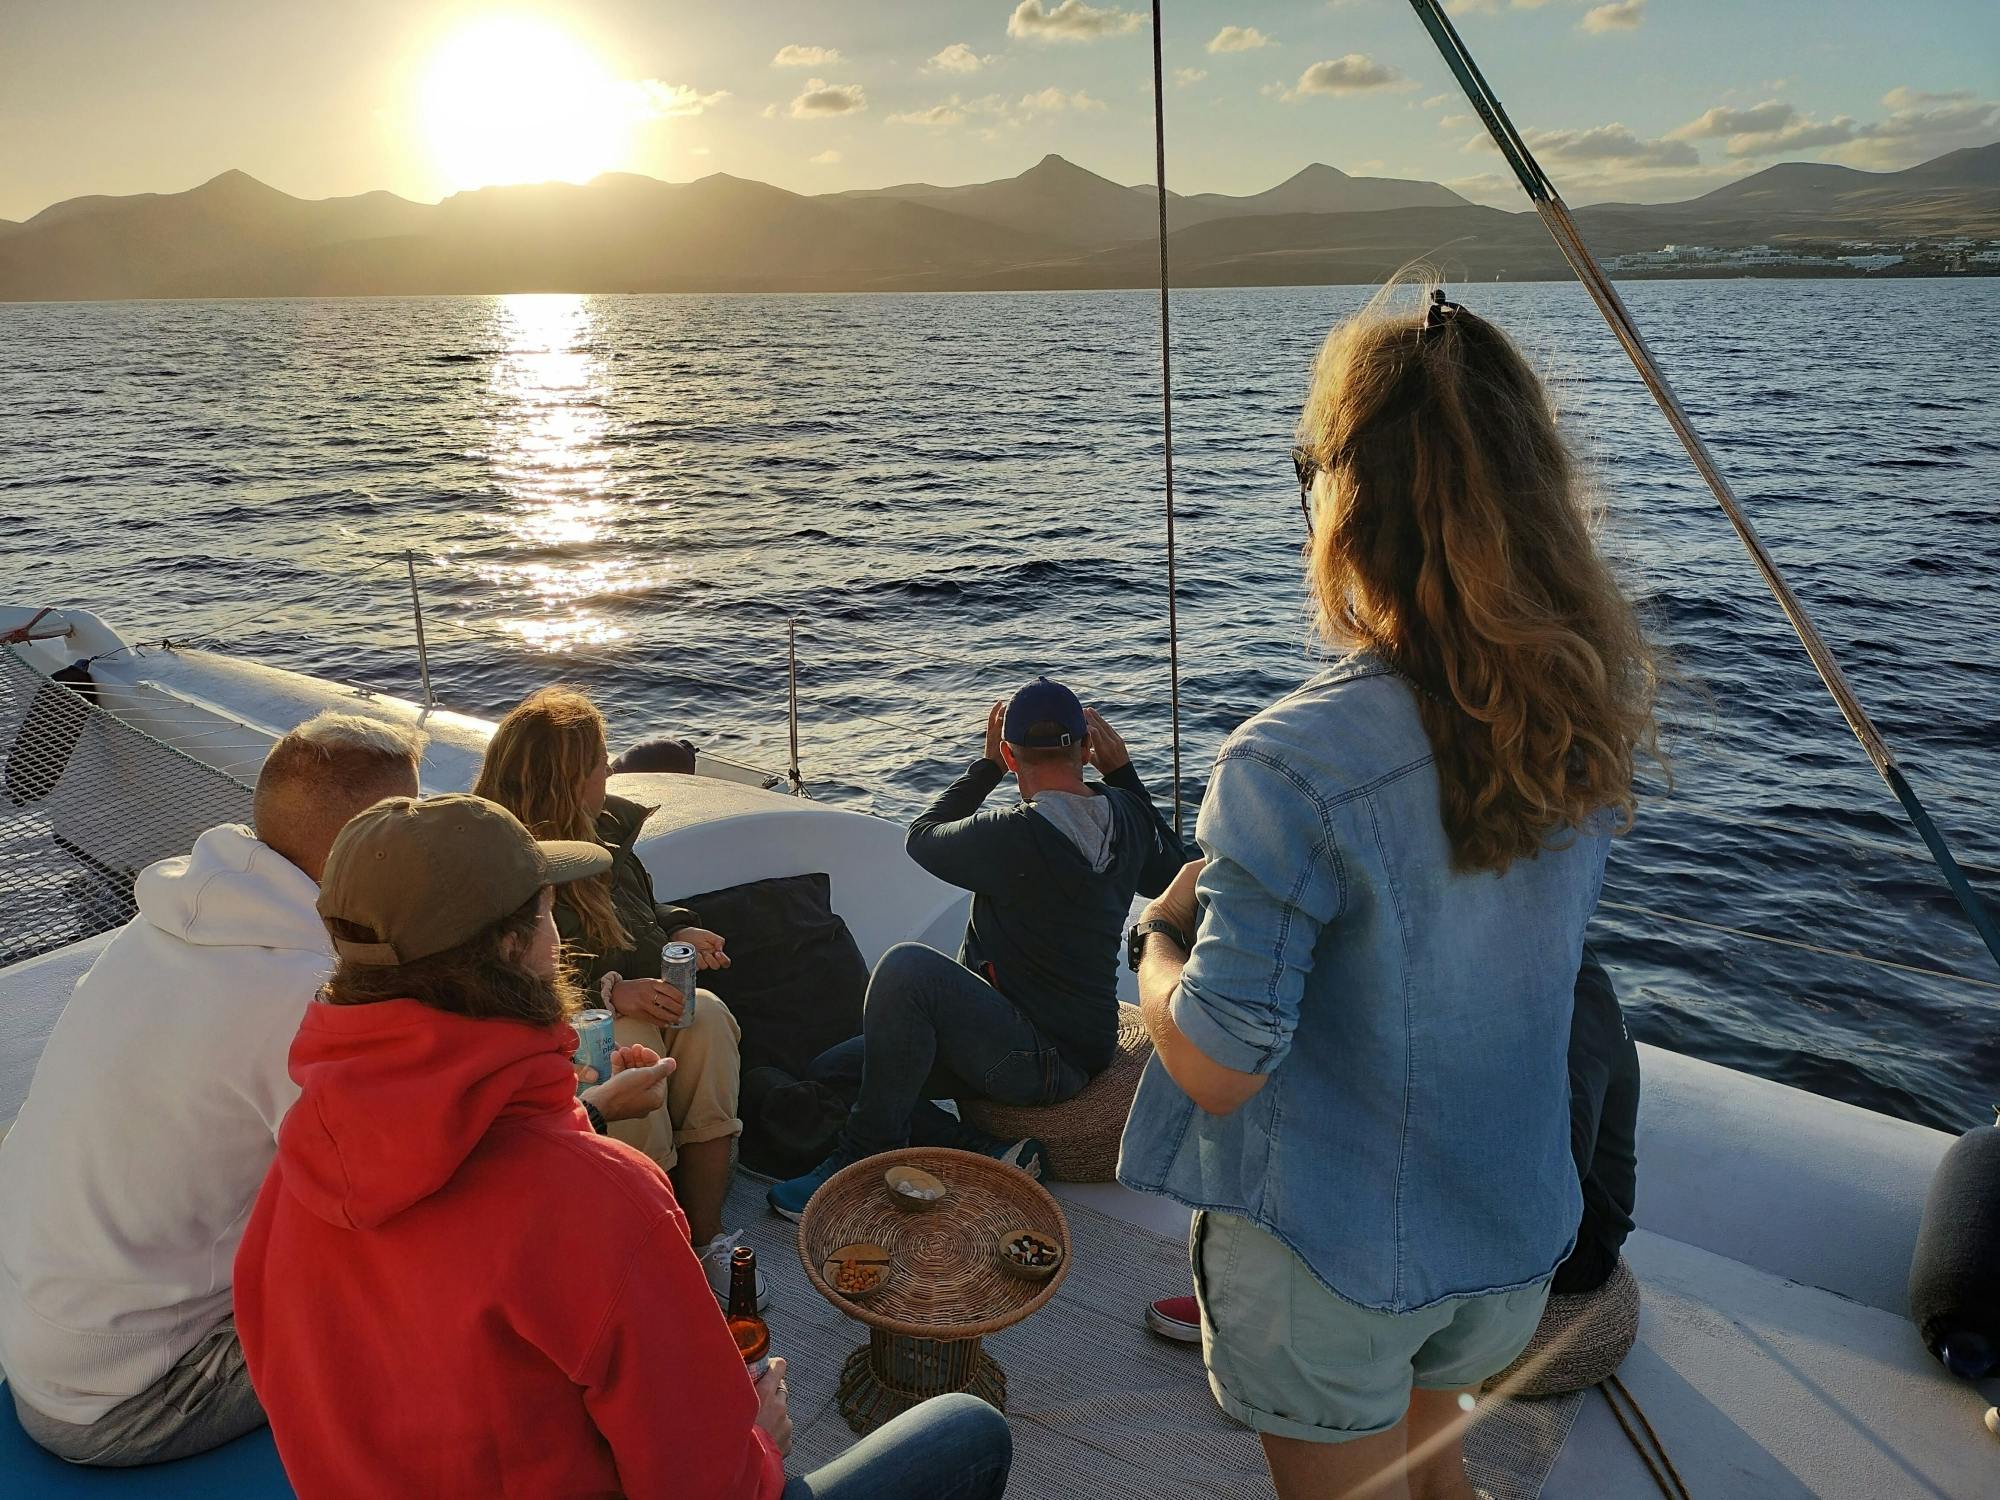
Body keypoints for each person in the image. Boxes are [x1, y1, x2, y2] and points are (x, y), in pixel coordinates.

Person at [1118, 286, 1660, 1500]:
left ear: (1345, 505)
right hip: (1505, 1238)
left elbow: (1217, 1063)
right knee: (1437, 1476)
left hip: (1333, 1263)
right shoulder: (1573, 716)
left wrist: (1153, 942)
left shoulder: (1285, 766)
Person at [232, 792, 1013, 1500]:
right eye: (547, 914)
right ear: (511, 947)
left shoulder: (299, 1166)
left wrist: (588, 1114)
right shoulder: (603, 1202)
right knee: (967, 1431)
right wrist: (760, 1444)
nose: (555, 936)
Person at [0, 712, 424, 1466]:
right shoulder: (301, 998)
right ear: (379, 844)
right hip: (128, 1398)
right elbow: (391, 1193)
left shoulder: (164, 926)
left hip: (39, 1331)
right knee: (434, 1287)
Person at [770, 677, 1187, 1220]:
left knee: (906, 970)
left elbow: (921, 836)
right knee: (836, 1069)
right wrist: (1123, 775)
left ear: (1012, 757)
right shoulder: (1127, 813)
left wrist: (984, 767)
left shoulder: (1011, 834)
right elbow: (1171, 874)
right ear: (1087, 748)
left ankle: (862, 1156)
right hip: (1080, 1042)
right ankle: (985, 1151)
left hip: (1035, 1060)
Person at [1143, 946, 1641, 1347]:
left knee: (1343, 1154)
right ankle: (1259, 1289)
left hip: (1571, 1239)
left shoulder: (1575, 992)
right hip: (1495, 1195)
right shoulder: (1504, 967)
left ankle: (1267, 1315)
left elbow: (1552, 1165)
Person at [473, 685, 756, 1302]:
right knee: (633, 1048)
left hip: (631, 997)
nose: (609, 770)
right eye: (598, 762)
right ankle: (650, 1258)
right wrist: (609, 991)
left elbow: (638, 907)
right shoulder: (496, 860)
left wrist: (677, 926)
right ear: (565, 779)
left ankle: (700, 1241)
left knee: (707, 1017)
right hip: (557, 1027)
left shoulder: (602, 832)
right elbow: (498, 981)